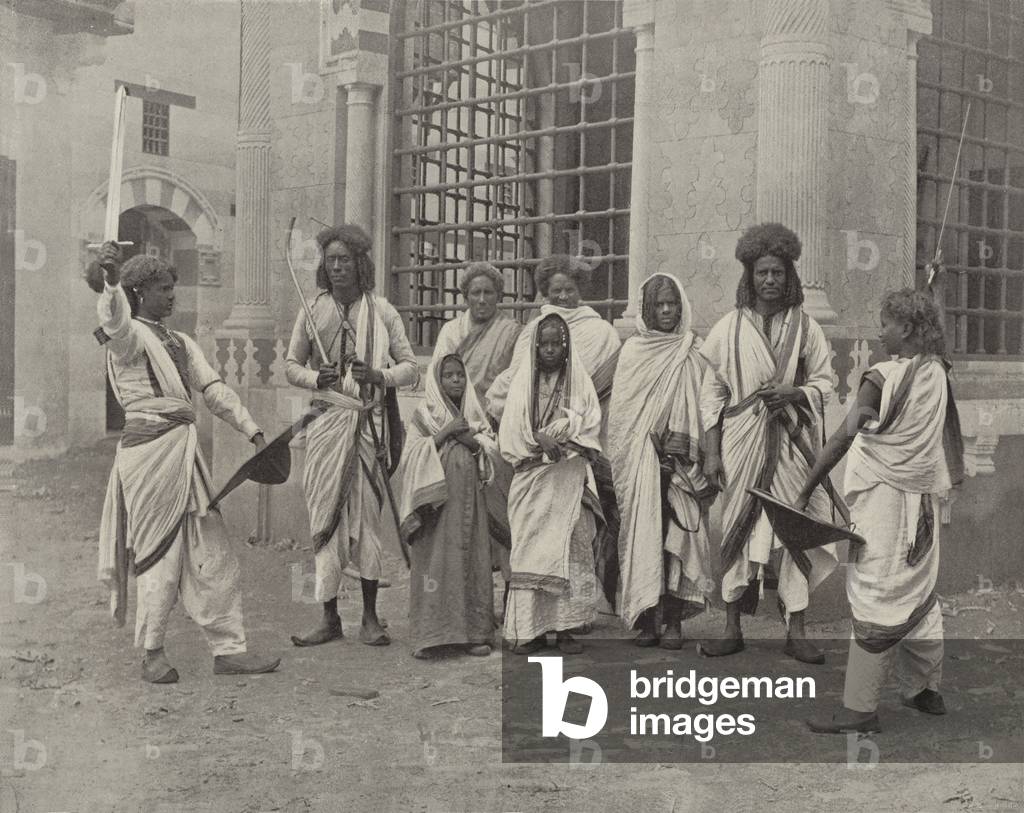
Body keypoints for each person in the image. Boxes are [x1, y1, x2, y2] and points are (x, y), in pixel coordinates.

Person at [89, 243, 280, 683]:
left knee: (213, 551)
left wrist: (252, 430)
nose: (172, 296)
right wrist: (111, 283)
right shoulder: (128, 337)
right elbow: (113, 321)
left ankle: (228, 648)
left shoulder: (182, 341)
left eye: (173, 287)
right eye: (162, 289)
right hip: (149, 456)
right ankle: (152, 651)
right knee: (161, 554)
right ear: (139, 293)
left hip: (186, 456)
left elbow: (213, 390)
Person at [800, 283, 963, 733]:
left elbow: (842, 438)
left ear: (907, 327)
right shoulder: (936, 373)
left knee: (876, 594)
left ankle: (860, 708)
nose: (880, 332)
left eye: (887, 324)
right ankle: (924, 689)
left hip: (884, 506)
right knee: (918, 588)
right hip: (922, 506)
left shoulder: (882, 377)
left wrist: (806, 488)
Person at [698, 223, 841, 664]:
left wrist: (796, 393)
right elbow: (713, 394)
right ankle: (731, 626)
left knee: (795, 528)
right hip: (741, 443)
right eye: (762, 272)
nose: (770, 281)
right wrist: (711, 450)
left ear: (789, 275)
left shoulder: (807, 327)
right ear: (750, 275)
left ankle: (796, 630)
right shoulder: (728, 328)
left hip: (792, 446)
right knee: (738, 530)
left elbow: (826, 381)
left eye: (778, 272)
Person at [285, 224, 418, 647]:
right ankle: (328, 618)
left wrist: (378, 374)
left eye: (345, 260)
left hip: (366, 426)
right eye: (331, 260)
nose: (337, 267)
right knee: (325, 518)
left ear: (361, 264)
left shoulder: (382, 313)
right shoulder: (312, 311)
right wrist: (315, 377)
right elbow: (291, 365)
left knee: (366, 523)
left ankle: (371, 618)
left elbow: (411, 368)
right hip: (327, 425)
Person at [485, 255, 622, 611]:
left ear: (581, 290)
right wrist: (527, 425)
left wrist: (568, 428)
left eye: (570, 289)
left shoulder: (600, 332)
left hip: (581, 447)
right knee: (530, 529)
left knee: (579, 529)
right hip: (530, 446)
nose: (562, 296)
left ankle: (581, 607)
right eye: (555, 290)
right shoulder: (535, 329)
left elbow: (597, 389)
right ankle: (522, 603)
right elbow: (515, 380)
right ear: (545, 292)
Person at [609, 273, 716, 649]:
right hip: (643, 465)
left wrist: (682, 447)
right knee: (645, 538)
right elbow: (622, 419)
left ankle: (673, 620)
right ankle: (648, 618)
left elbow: (707, 407)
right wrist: (645, 448)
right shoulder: (633, 353)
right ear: (647, 309)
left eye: (672, 302)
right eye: (659, 304)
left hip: (681, 464)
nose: (667, 310)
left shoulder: (693, 350)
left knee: (676, 540)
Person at [499, 313, 603, 656]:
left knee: (571, 549)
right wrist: (538, 438)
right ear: (535, 345)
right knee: (531, 550)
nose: (549, 350)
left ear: (566, 345)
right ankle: (528, 630)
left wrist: (569, 431)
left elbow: (590, 421)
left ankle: (566, 628)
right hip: (532, 479)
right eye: (543, 343)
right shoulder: (521, 383)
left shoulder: (579, 380)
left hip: (567, 479)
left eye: (556, 343)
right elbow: (511, 432)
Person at [394, 354, 499, 658]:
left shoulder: (474, 414)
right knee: (436, 566)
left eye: (460, 375)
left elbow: (492, 449)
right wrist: (445, 433)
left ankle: (473, 634)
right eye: (448, 376)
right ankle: (430, 636)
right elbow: (411, 457)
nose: (455, 380)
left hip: (470, 506)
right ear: (436, 382)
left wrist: (474, 444)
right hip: (436, 510)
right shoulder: (425, 415)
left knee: (470, 563)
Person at [430, 261, 521, 612]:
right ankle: (469, 604)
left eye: (489, 293)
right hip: (458, 435)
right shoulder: (452, 332)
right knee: (466, 522)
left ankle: (512, 596)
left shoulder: (511, 332)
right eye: (475, 293)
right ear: (465, 296)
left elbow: (517, 379)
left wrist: (495, 423)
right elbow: (438, 383)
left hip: (499, 435)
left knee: (506, 515)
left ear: (499, 296)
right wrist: (459, 428)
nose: (482, 299)